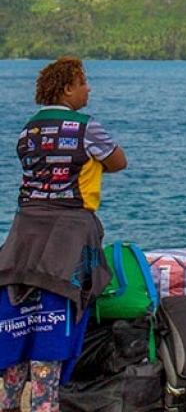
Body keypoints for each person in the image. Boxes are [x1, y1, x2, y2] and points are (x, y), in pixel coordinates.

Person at [0, 57, 127, 412]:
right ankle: (45, 404)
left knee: (18, 323)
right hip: (69, 236)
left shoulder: (27, 130)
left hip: (22, 237)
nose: (89, 88)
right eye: (84, 82)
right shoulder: (87, 127)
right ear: (68, 88)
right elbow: (119, 162)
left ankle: (9, 402)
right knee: (57, 322)